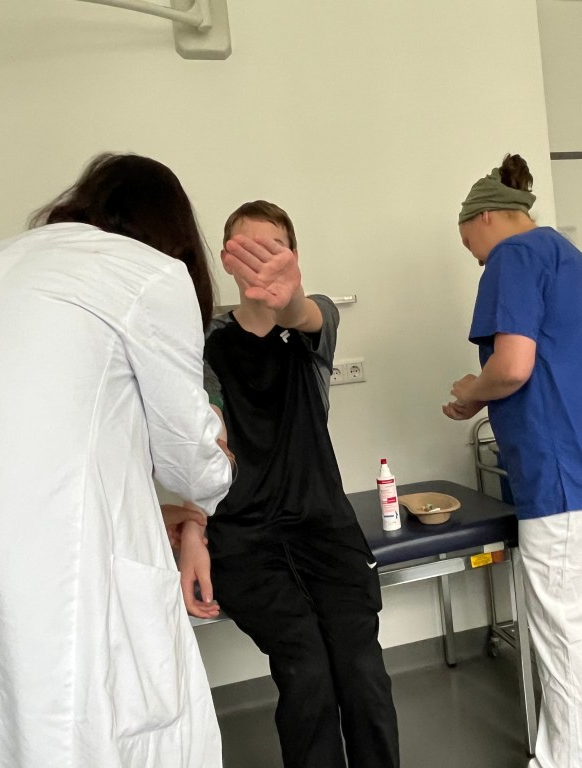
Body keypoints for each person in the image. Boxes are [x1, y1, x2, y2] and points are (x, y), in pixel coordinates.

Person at [0, 154, 233, 768]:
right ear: (176, 236)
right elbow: (194, 465)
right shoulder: (148, 275)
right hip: (36, 572)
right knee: (56, 729)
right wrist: (214, 453)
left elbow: (28, 438)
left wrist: (146, 509)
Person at [443, 154, 582, 768]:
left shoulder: (513, 256)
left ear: (485, 218)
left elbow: (512, 367)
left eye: (469, 245)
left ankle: (568, 761)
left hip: (567, 476)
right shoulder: (571, 259)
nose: (475, 259)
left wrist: (471, 391)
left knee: (564, 633)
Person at [177, 200, 400, 768]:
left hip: (324, 528)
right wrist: (193, 527)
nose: (260, 262)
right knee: (306, 671)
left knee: (361, 668)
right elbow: (202, 441)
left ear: (294, 257)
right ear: (226, 259)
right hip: (245, 538)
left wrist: (290, 298)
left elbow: (306, 312)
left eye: (272, 249)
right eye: (246, 249)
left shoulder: (312, 325)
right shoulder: (202, 343)